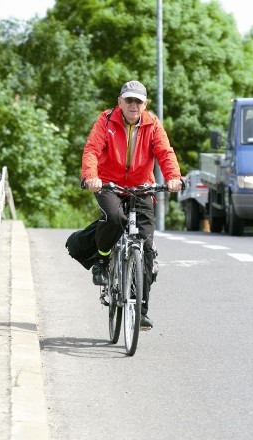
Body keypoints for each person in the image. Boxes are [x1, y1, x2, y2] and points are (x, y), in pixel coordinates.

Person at [82, 80, 182, 329]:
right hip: (109, 185)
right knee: (114, 218)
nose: (133, 105)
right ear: (120, 102)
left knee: (146, 248)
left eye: (138, 101)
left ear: (145, 104)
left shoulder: (153, 124)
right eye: (129, 100)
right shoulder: (106, 121)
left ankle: (141, 311)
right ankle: (103, 260)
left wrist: (172, 178)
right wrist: (91, 177)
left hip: (142, 186)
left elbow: (165, 153)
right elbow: (92, 150)